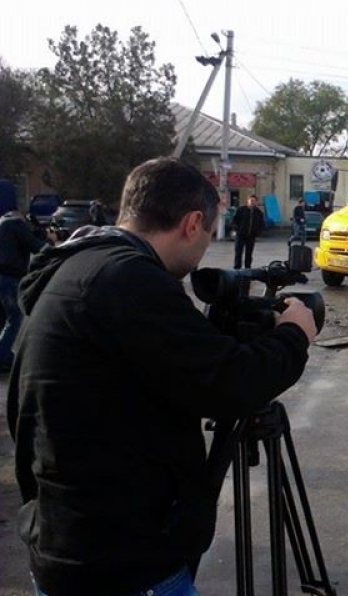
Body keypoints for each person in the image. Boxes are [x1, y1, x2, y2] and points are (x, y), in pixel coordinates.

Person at [7, 157, 318, 596]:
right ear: (192, 223)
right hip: (120, 563)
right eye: (208, 235)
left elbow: (165, 364)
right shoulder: (128, 280)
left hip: (70, 540)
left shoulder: (77, 266)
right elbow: (231, 384)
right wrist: (294, 335)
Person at [0, 210, 55, 372]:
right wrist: (51, 241)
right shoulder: (16, 225)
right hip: (10, 277)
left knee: (3, 318)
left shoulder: (2, 223)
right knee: (15, 318)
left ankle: (6, 355)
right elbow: (39, 248)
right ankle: (2, 357)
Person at [231, 194, 264, 269]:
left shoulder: (259, 212)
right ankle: (237, 270)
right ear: (248, 201)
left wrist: (258, 232)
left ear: (256, 202)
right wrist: (236, 229)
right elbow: (234, 220)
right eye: (251, 201)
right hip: (240, 235)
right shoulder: (241, 209)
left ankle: (247, 270)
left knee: (249, 254)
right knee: (238, 253)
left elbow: (261, 224)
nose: (252, 202)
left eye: (254, 201)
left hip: (251, 236)